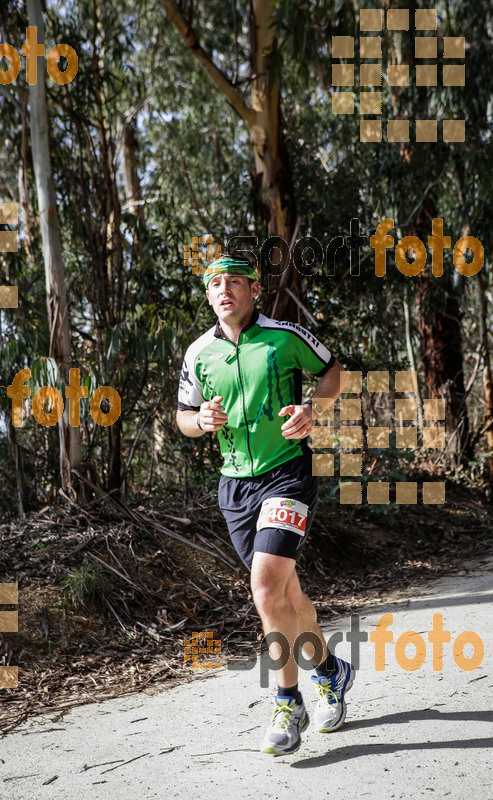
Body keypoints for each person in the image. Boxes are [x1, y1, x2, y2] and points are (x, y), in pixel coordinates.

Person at [176, 254, 354, 756]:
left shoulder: (284, 334)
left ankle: (287, 699)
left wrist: (311, 408)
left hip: (286, 476)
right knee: (286, 594)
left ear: (254, 290)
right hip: (234, 489)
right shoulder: (198, 354)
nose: (224, 289)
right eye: (216, 283)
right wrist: (201, 422)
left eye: (235, 281)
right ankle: (329, 670)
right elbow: (182, 416)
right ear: (209, 296)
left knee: (264, 587)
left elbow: (331, 371)